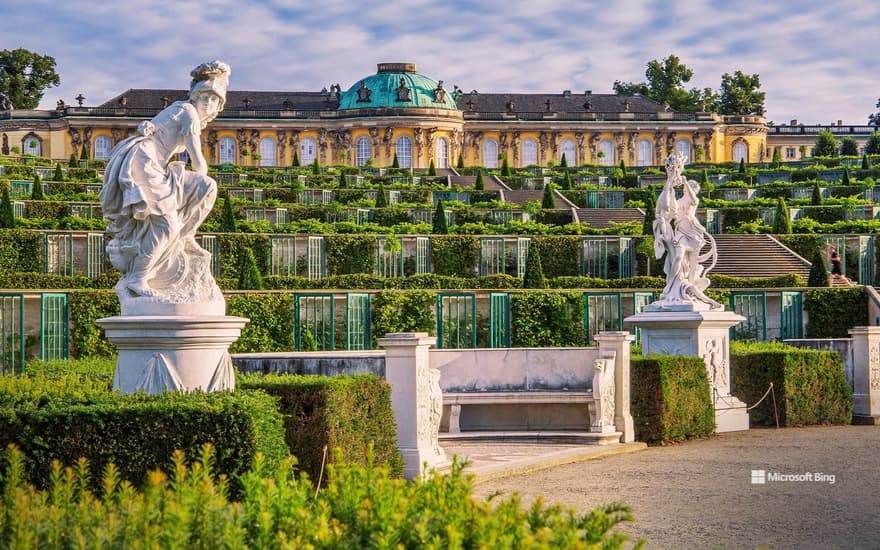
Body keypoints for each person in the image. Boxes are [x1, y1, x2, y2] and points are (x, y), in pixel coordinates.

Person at [100, 61, 230, 299]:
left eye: (214, 100)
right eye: (204, 98)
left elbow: (155, 127)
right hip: (144, 161)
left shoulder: (182, 110)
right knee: (167, 224)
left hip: (156, 166)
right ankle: (138, 277)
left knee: (207, 187)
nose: (208, 104)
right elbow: (198, 160)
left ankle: (184, 236)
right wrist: (191, 190)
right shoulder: (188, 112)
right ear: (195, 97)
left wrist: (196, 190)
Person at [653, 152, 721, 309]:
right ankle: (671, 285)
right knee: (677, 257)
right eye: (690, 186)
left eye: (693, 187)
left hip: (693, 233)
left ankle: (690, 287)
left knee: (692, 263)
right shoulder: (678, 201)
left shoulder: (693, 201)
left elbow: (694, 198)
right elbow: (667, 204)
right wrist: (670, 180)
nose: (691, 189)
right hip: (680, 233)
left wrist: (685, 182)